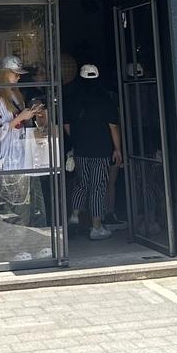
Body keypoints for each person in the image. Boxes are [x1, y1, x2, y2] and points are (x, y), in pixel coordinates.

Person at [0, 56, 46, 226]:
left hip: (23, 153)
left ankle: (31, 226)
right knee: (18, 203)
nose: (18, 77)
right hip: (10, 156)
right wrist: (20, 117)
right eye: (15, 74)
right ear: (5, 74)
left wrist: (32, 114)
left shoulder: (15, 95)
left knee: (31, 200)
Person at [67, 63, 121, 240]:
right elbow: (113, 126)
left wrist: (75, 138)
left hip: (80, 149)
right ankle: (96, 227)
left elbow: (66, 124)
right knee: (98, 187)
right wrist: (117, 149)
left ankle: (74, 216)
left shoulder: (73, 97)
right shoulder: (105, 97)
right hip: (101, 149)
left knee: (81, 183)